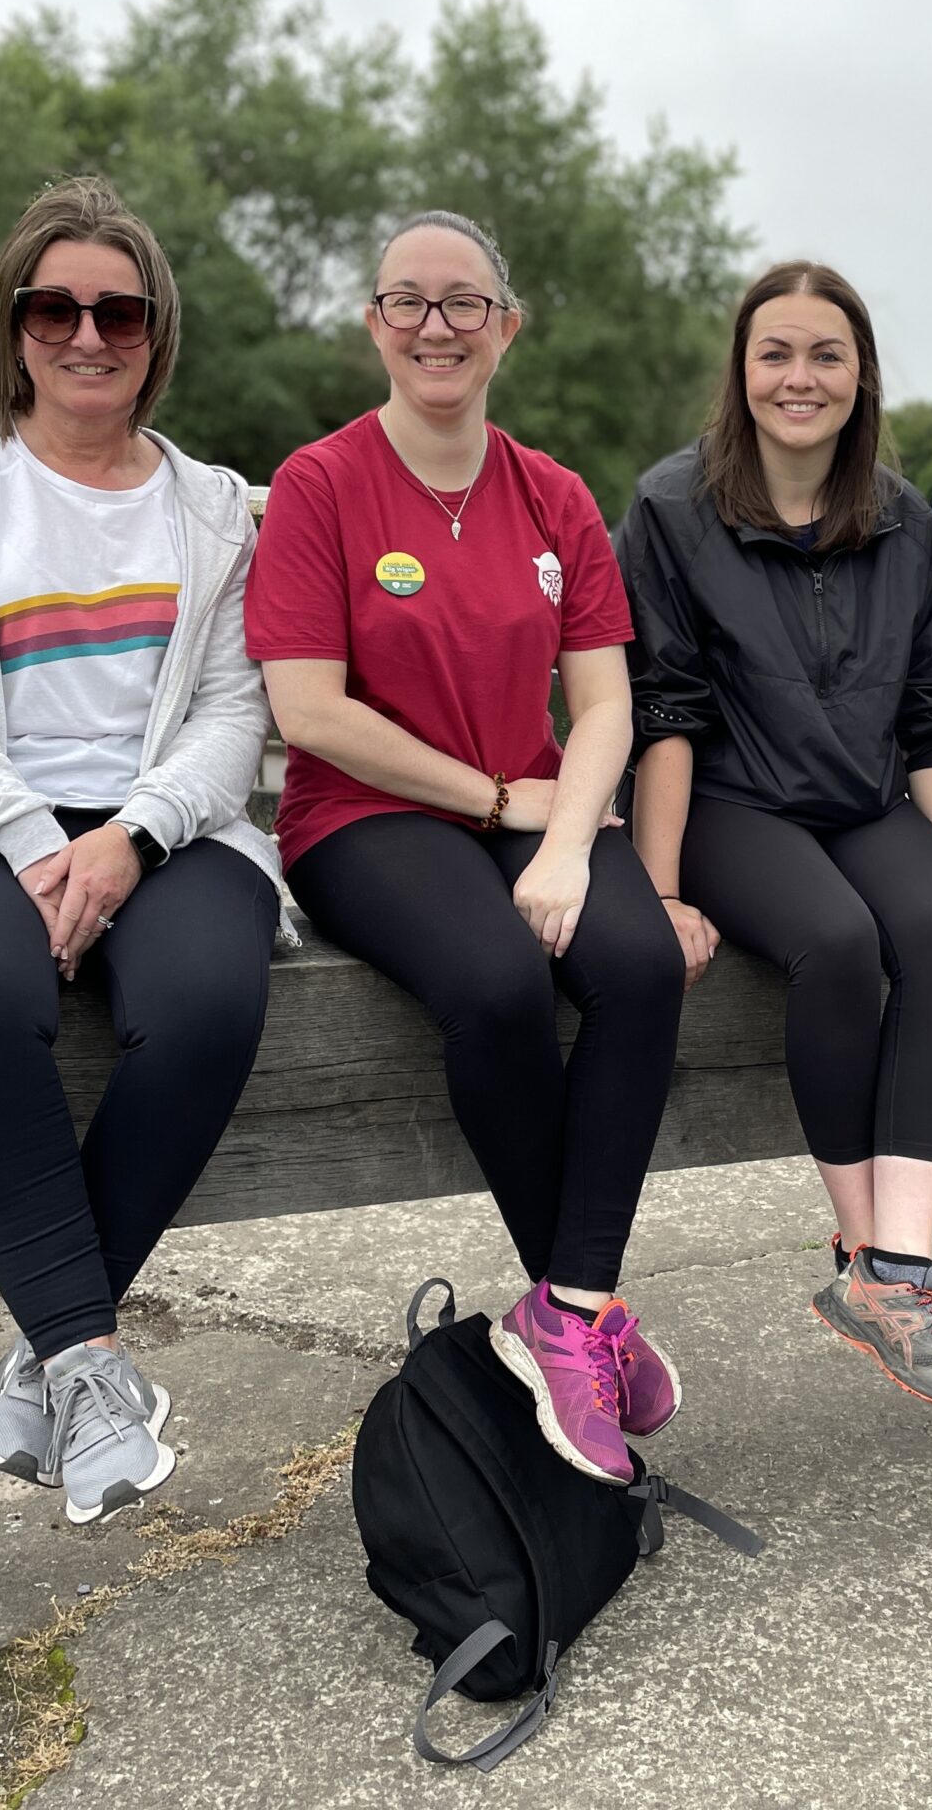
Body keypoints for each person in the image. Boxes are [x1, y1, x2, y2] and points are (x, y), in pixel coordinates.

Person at [0, 177, 284, 1525]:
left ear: (158, 332)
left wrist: (134, 836)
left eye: (120, 310)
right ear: (13, 323)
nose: (89, 335)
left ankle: (44, 1350)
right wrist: (35, 836)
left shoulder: (215, 510)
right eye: (56, 306)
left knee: (207, 1003)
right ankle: (87, 1360)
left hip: (165, 821)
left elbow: (234, 708)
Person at [245, 210, 685, 1486]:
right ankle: (588, 1314)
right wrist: (503, 807)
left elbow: (604, 704)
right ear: (374, 324)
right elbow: (309, 711)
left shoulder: (551, 495)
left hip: (534, 809)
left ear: (506, 325)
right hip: (364, 819)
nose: (435, 326)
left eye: (463, 303)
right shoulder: (321, 485)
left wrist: (559, 839)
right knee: (496, 983)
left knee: (640, 965)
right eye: (407, 302)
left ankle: (569, 1306)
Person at [618, 261, 932, 1420]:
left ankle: (901, 1270)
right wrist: (659, 892)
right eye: (775, 353)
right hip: (735, 805)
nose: (800, 376)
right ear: (742, 372)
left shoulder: (903, 518)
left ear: (860, 375)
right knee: (839, 943)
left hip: (865, 798)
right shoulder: (672, 509)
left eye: (824, 355)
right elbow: (665, 716)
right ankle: (861, 1260)